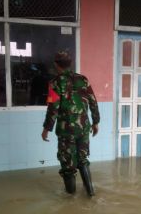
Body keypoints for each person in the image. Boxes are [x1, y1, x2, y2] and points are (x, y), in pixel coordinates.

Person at [41, 51, 100, 197]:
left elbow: (53, 107)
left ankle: (70, 199)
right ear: (70, 63)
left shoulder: (55, 83)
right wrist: (95, 122)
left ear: (56, 65)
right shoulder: (83, 79)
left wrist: (47, 128)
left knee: (67, 164)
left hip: (66, 130)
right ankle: (90, 193)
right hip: (84, 128)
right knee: (83, 159)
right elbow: (93, 101)